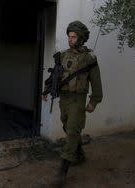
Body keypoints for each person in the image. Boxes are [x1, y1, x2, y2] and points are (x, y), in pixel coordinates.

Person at [43, 21, 103, 186]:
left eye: (74, 37)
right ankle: (80, 154)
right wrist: (47, 90)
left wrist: (94, 101)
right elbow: (55, 75)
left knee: (72, 131)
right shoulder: (62, 55)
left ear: (81, 38)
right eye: (69, 36)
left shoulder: (89, 58)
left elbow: (96, 82)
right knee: (66, 125)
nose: (71, 40)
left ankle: (62, 171)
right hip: (64, 98)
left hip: (78, 99)